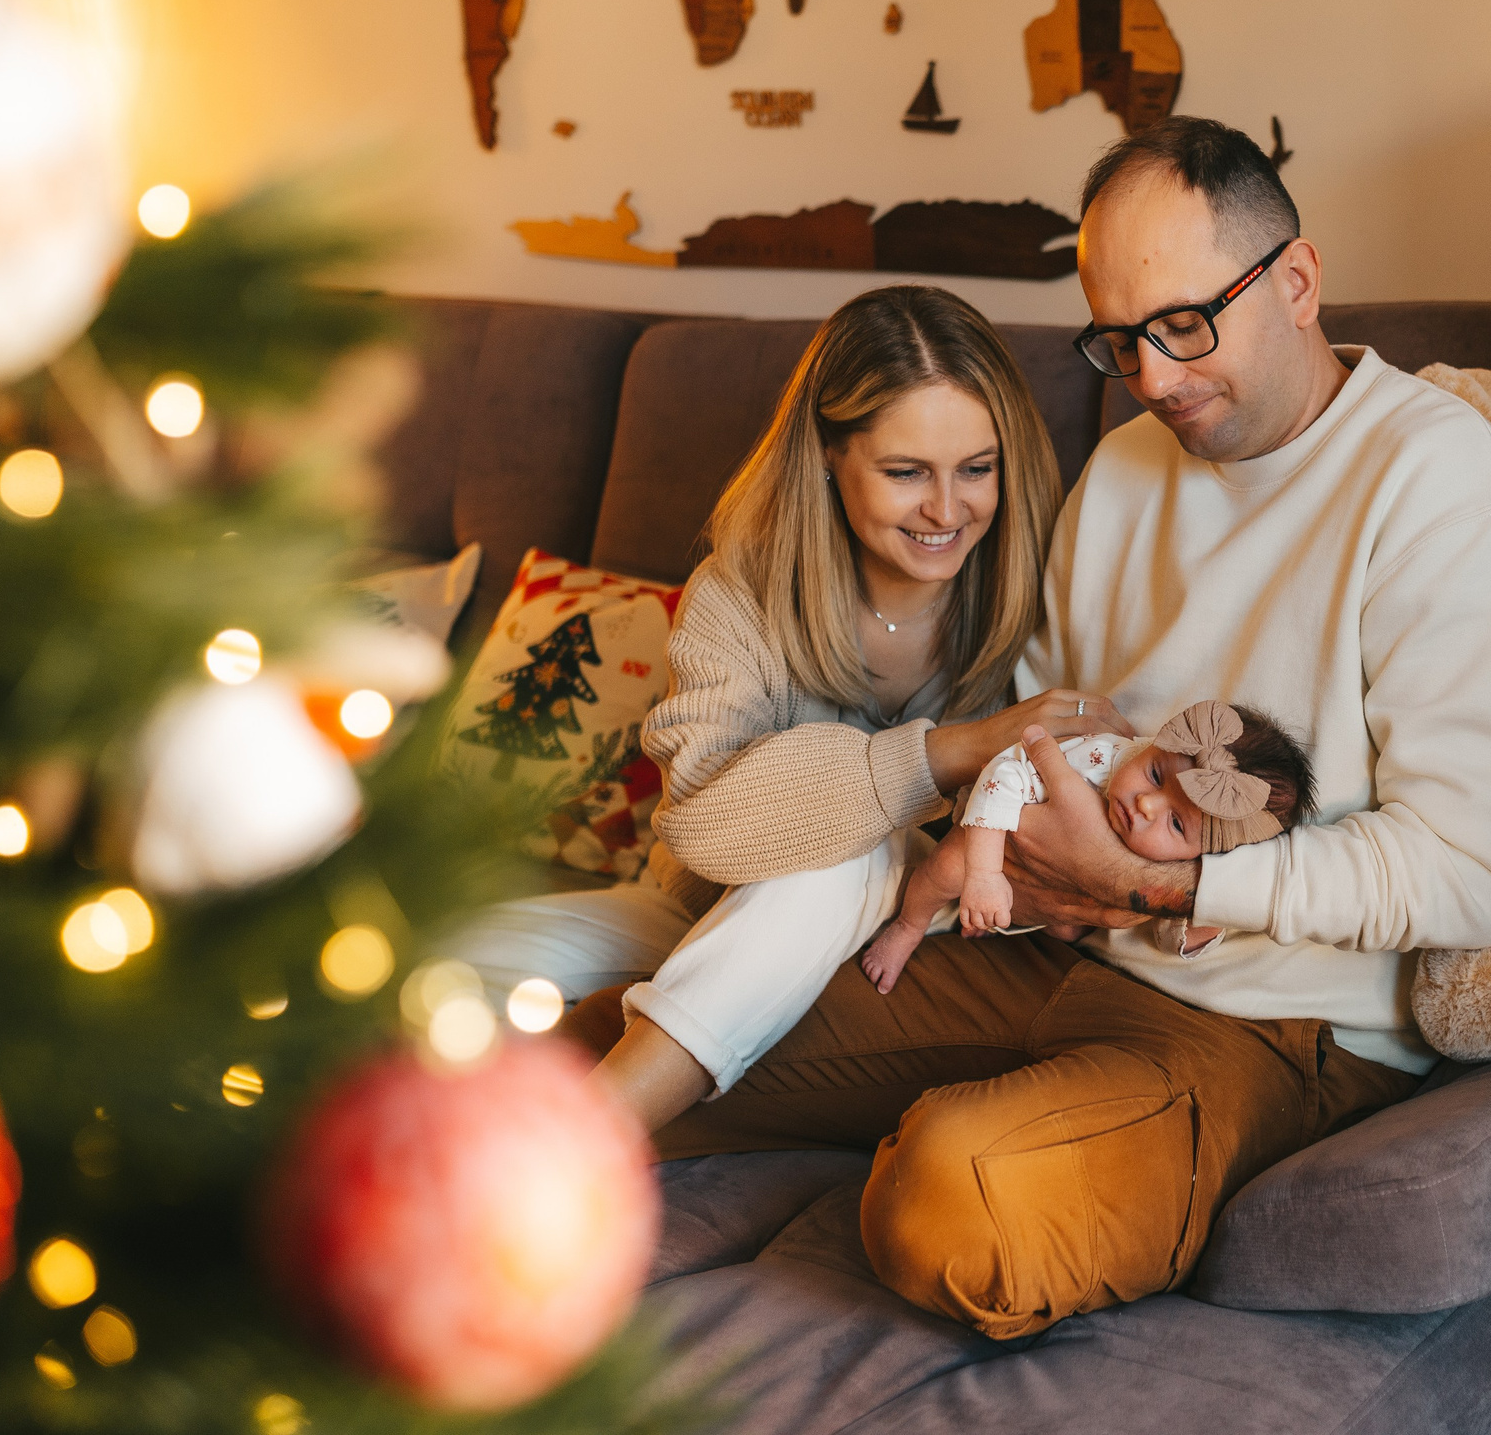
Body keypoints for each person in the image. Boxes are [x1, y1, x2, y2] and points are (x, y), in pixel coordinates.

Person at [648, 117, 1491, 1342]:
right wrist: (1022, 860)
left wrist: (1160, 880)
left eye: (1184, 326)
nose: (1151, 378)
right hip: (1041, 943)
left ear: (1295, 282)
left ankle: (1007, 1133)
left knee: (953, 1197)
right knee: (653, 1039)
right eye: (1119, 340)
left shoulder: (1445, 495)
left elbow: (1469, 876)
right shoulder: (1130, 468)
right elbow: (1037, 724)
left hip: (1263, 1022)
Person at [443, 285, 1133, 1123]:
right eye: (906, 471)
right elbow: (697, 819)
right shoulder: (739, 595)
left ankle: (579, 1145)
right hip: (706, 913)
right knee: (435, 962)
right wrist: (946, 751)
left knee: (849, 850)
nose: (949, 511)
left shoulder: (1037, 592)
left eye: (977, 469)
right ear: (828, 457)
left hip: (918, 944)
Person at [857, 698, 1314, 990]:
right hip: (998, 832)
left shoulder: (1184, 864)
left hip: (1055, 907)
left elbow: (1161, 921)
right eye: (1155, 773)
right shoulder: (1100, 756)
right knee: (947, 870)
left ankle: (990, 916)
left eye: (1176, 824)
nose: (1146, 805)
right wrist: (985, 873)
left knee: (1070, 927)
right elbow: (1003, 774)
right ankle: (909, 926)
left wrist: (1197, 928)